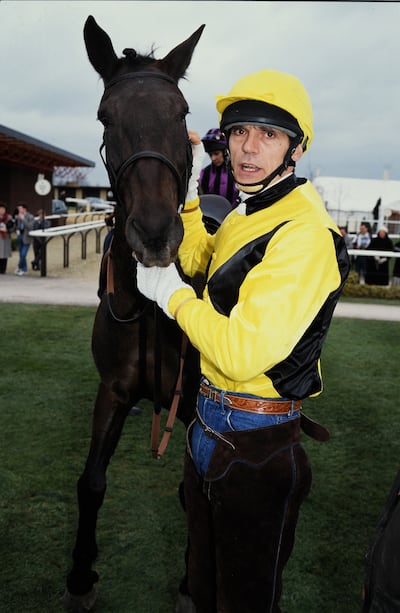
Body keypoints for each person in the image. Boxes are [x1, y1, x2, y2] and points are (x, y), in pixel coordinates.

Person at [136, 69, 350, 612]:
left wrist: (170, 296)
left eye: (269, 135)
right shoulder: (249, 210)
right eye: (238, 133)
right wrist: (189, 201)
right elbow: (200, 262)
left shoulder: (304, 233)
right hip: (210, 423)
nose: (248, 148)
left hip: (257, 442)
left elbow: (239, 351)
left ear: (296, 148)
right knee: (203, 588)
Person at [199, 128, 239, 208]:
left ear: (226, 151)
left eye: (216, 154)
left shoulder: (239, 171)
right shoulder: (204, 174)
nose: (213, 158)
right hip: (212, 218)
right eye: (210, 155)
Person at [14, 203, 34, 275]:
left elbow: (30, 227)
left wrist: (23, 219)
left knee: (23, 254)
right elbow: (17, 227)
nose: (19, 210)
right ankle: (24, 269)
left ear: (24, 209)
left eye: (20, 208)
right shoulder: (18, 216)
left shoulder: (30, 216)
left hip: (27, 237)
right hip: (20, 236)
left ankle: (19, 266)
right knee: (21, 254)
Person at [0, 202, 15, 273]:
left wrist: (8, 229)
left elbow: (13, 227)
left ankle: (3, 269)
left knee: (4, 253)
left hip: (6, 237)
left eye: (3, 209)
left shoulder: (9, 217)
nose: (2, 210)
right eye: (0, 209)